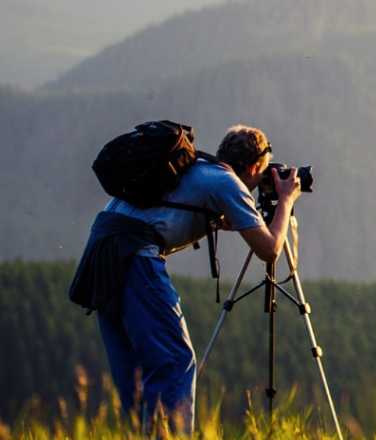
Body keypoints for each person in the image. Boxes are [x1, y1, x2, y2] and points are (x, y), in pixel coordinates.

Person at [80, 124, 302, 434]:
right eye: (262, 174)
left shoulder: (196, 166)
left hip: (101, 253)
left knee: (134, 372)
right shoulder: (227, 183)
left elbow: (177, 211)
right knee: (174, 362)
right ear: (254, 167)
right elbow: (269, 250)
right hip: (135, 255)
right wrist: (287, 199)